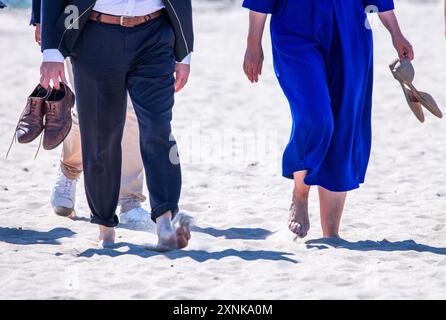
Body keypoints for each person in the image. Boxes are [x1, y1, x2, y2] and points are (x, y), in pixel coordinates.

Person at [242, 0, 414, 239]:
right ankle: (300, 193)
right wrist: (253, 42)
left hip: (351, 31)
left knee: (344, 126)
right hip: (295, 31)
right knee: (315, 117)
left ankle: (331, 234)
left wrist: (396, 33)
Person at [39, 0, 193, 249]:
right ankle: (105, 228)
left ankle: (165, 223)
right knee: (100, 135)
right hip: (93, 34)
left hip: (155, 35)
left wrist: (184, 50)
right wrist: (51, 51)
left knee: (158, 128)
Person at [31, 1, 151, 229]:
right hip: (79, 21)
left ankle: (130, 200)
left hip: (140, 26)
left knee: (133, 111)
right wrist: (41, 19)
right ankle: (70, 169)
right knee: (85, 112)